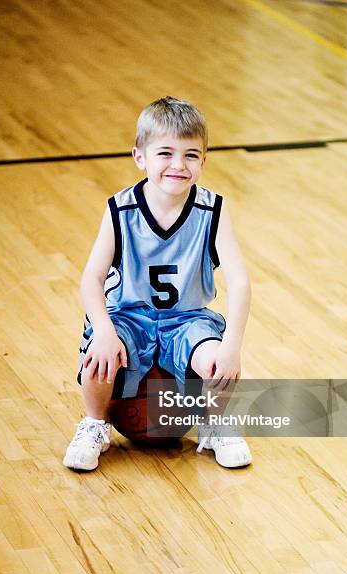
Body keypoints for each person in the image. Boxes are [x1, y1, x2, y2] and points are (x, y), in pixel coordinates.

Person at [63, 96, 252, 471]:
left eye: (191, 155)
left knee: (216, 359)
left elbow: (241, 281)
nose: (178, 165)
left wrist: (231, 346)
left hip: (188, 319)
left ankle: (215, 426)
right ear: (140, 156)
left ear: (204, 159)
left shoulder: (213, 210)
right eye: (165, 153)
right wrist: (102, 329)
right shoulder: (120, 208)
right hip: (128, 315)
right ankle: (95, 424)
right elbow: (91, 278)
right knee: (100, 357)